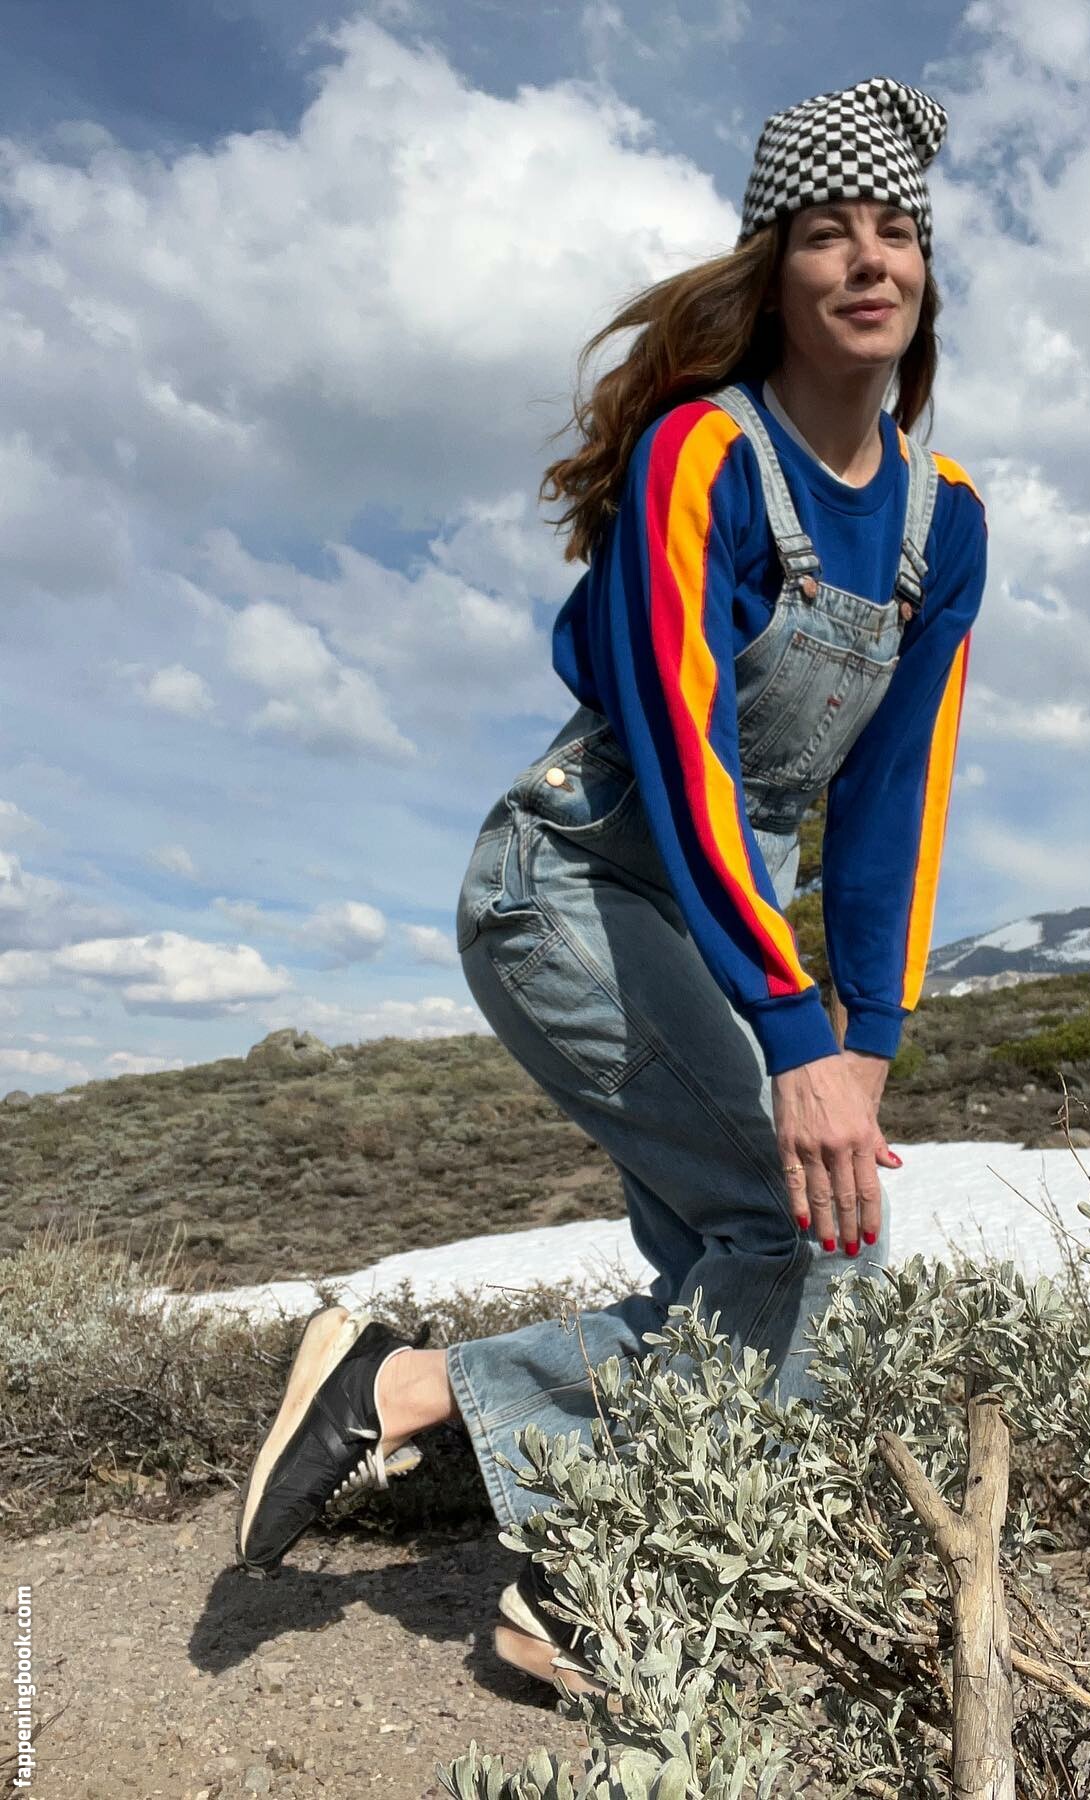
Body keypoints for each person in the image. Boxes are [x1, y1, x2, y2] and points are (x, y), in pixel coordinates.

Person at [234, 74, 987, 1699]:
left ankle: (420, 1408)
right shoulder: (700, 457)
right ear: (776, 274)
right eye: (830, 234)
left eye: (898, 233)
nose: (870, 261)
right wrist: (791, 1030)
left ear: (927, 274)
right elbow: (685, 745)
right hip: (564, 886)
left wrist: (865, 1039)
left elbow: (892, 801)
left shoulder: (946, 524)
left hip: (701, 925)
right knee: (800, 1240)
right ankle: (562, 1565)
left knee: (766, 1251)